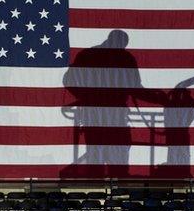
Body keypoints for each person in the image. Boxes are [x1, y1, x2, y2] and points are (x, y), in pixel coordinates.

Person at [61, 30, 170, 178]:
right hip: (114, 115)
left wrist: (85, 97)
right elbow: (136, 89)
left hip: (94, 115)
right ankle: (117, 187)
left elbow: (68, 80)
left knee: (97, 155)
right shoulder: (125, 58)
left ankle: (101, 187)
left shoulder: (87, 55)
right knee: (117, 155)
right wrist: (159, 99)